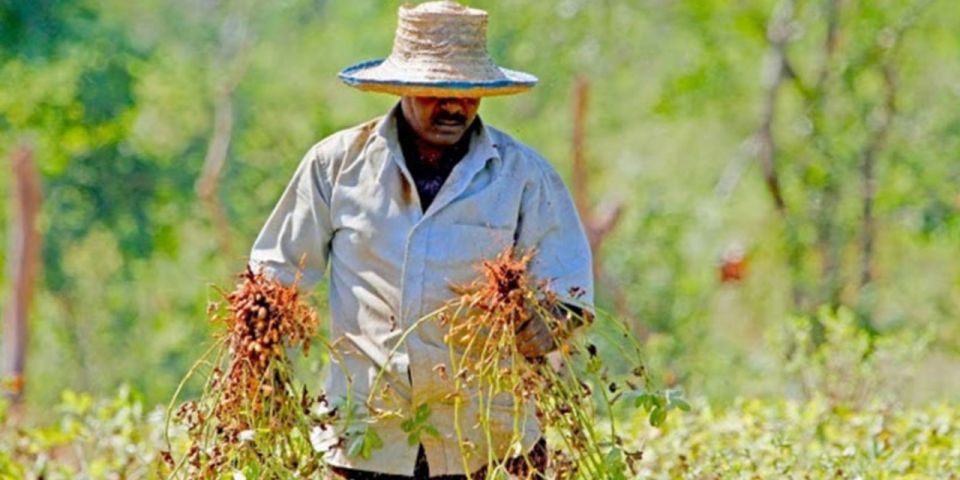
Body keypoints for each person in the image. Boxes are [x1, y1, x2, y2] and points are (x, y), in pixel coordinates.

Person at [249, 2, 593, 478]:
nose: (455, 106)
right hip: (368, 437)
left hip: (488, 439)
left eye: (468, 92)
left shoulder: (523, 175)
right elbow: (276, 271)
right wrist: (260, 350)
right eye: (437, 92)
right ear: (404, 88)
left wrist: (545, 322)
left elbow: (569, 289)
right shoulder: (336, 166)